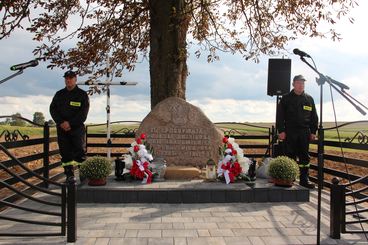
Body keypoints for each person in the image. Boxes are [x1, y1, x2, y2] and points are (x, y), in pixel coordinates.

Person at [276, 75, 318, 189]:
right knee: (290, 155)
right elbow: (280, 117)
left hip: (304, 132)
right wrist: (281, 131)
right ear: (293, 84)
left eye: (303, 83)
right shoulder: (286, 98)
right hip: (290, 132)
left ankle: (304, 180)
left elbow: (314, 117)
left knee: (304, 157)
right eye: (299, 83)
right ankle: (289, 178)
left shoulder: (309, 99)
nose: (301, 85)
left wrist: (313, 131)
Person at [50, 70, 90, 178]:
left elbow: (83, 114)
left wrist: (70, 123)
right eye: (66, 78)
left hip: (76, 130)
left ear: (75, 79)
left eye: (71, 78)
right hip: (62, 130)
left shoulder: (82, 95)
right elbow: (53, 110)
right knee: (65, 154)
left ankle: (83, 176)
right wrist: (61, 122)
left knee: (80, 153)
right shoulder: (59, 94)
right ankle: (69, 176)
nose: (68, 80)